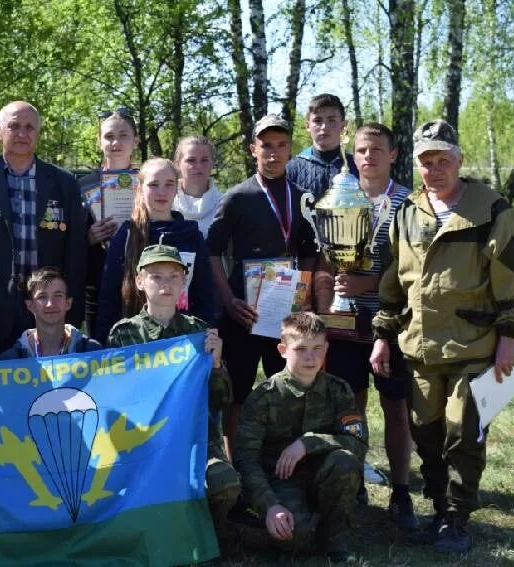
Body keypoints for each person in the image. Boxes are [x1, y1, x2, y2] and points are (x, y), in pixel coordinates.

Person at [371, 119, 514, 554]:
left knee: (463, 433)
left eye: (443, 160)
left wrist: (510, 337)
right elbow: (394, 280)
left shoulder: (490, 209)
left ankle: (457, 518)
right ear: (417, 165)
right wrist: (382, 335)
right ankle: (439, 511)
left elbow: (513, 277)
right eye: (427, 161)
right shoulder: (407, 211)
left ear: (459, 161)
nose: (435, 169)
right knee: (427, 434)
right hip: (420, 347)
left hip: (473, 345)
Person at [313, 123, 416, 526]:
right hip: (345, 323)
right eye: (360, 150)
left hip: (395, 323)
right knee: (350, 406)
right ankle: (353, 479)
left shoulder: (409, 203)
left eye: (376, 149)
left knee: (395, 406)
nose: (368, 157)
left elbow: (417, 271)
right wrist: (329, 300)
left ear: (393, 154)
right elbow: (326, 259)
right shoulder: (340, 196)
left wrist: (369, 284)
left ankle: (401, 491)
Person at [107, 244, 237, 556]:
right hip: (142, 442)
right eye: (156, 276)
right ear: (140, 281)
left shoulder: (199, 332)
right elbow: (114, 398)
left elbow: (222, 399)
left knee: (224, 481)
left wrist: (216, 364)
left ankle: (211, 540)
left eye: (173, 276)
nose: (165, 284)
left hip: (194, 440)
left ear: (184, 282)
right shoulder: (124, 335)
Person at [206, 114, 317, 456]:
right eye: (266, 145)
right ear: (252, 149)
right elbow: (211, 252)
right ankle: (237, 465)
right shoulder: (237, 197)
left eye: (281, 145)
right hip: (244, 313)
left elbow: (309, 253)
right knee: (237, 394)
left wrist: (304, 297)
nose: (274, 153)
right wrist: (229, 301)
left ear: (291, 149)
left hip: (285, 313)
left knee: (286, 390)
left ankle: (281, 463)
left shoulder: (302, 197)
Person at [0, 101, 86, 353]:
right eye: (14, 126)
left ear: (38, 133)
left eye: (29, 127)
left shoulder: (64, 182)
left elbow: (76, 251)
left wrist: (73, 309)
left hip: (48, 308)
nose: (22, 133)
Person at [233, 312, 367, 563]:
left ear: (326, 349)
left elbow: (357, 442)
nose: (310, 357)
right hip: (280, 481)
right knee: (294, 538)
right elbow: (246, 459)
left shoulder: (338, 390)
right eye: (301, 349)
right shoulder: (264, 397)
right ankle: (245, 528)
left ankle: (333, 539)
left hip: (323, 474)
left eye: (317, 348)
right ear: (283, 350)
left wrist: (308, 443)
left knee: (345, 461)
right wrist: (270, 505)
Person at [96, 158, 214, 342]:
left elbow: (205, 295)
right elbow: (109, 297)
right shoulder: (127, 235)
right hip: (136, 342)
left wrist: (207, 339)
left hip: (184, 342)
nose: (162, 192)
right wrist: (104, 345)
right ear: (140, 189)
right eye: (153, 184)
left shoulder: (192, 236)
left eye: (169, 184)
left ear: (177, 189)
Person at [79, 109, 139, 336]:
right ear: (99, 141)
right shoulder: (82, 185)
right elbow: (69, 239)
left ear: (136, 141)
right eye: (109, 136)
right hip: (97, 284)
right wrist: (88, 238)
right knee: (101, 346)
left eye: (123, 135)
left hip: (142, 281)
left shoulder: (149, 181)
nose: (116, 142)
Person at [0, 266, 102, 359]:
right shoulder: (9, 360)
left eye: (58, 295)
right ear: (30, 305)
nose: (50, 304)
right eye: (42, 297)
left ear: (68, 303)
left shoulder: (93, 351)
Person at [285, 94, 359, 200]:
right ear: (307, 126)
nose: (324, 127)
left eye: (331, 120)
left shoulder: (357, 166)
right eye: (317, 120)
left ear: (343, 126)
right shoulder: (292, 169)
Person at [172, 136, 223, 238]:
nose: (199, 166)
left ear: (212, 163)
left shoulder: (225, 203)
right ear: (178, 164)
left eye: (204, 160)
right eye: (191, 160)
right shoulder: (165, 200)